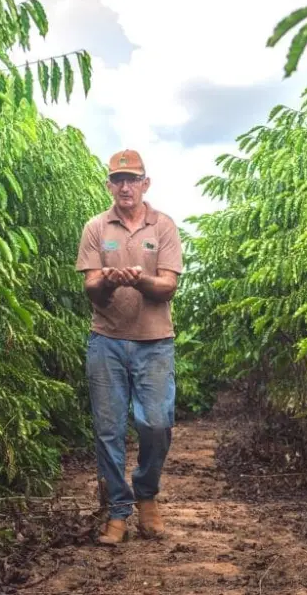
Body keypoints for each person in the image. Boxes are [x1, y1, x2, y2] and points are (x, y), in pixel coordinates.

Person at [75, 149, 183, 545]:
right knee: (108, 430)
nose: (125, 186)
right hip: (106, 341)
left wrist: (138, 280)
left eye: (132, 179)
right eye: (118, 179)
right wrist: (107, 280)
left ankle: (147, 495)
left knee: (156, 424)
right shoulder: (95, 227)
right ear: (109, 185)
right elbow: (91, 288)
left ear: (145, 184)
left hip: (155, 343)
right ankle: (119, 511)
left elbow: (168, 285)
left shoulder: (164, 226)